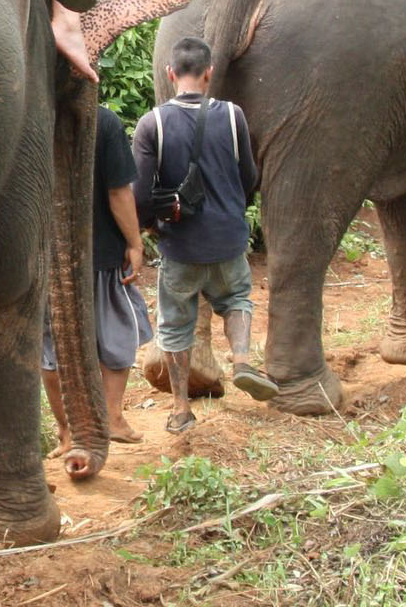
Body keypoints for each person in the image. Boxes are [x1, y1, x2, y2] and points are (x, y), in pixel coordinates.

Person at [135, 36, 270, 431]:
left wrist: (150, 226)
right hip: (228, 238)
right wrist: (230, 211)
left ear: (169, 74)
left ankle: (181, 409)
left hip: (180, 245)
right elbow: (249, 176)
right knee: (236, 299)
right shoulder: (233, 116)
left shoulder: (153, 123)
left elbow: (140, 192)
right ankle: (241, 361)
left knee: (175, 325)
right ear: (209, 73)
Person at [41, 100, 151, 453]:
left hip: (44, 260)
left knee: (50, 346)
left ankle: (67, 431)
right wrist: (134, 243)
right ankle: (112, 417)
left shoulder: (28, 117)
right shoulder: (103, 121)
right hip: (101, 256)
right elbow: (118, 191)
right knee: (117, 333)